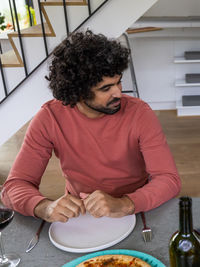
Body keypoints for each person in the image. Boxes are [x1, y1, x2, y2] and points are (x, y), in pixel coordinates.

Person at [3, 30, 181, 222]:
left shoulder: (140, 113)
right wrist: (45, 208)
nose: (118, 93)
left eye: (118, 82)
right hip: (81, 216)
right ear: (78, 92)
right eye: (106, 88)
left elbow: (168, 179)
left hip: (134, 210)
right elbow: (14, 187)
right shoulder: (49, 118)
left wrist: (125, 203)